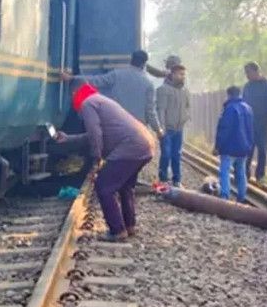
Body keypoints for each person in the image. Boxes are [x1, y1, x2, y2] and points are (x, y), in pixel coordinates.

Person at [56, 84, 155, 242]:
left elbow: (95, 133)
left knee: (104, 186)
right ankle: (130, 226)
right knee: (125, 187)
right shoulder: (100, 100)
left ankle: (117, 230)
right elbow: (95, 134)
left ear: (75, 93)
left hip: (130, 147)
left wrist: (97, 159)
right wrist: (69, 139)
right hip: (145, 144)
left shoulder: (88, 103)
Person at [60, 50, 162, 138]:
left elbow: (96, 81)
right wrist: (158, 130)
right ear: (144, 64)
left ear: (131, 61)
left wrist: (72, 78)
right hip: (137, 129)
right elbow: (150, 111)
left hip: (116, 124)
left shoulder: (116, 74)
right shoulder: (148, 84)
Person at [213, 86, 255, 203]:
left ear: (228, 95)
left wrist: (218, 146)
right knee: (241, 172)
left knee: (225, 171)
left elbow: (224, 129)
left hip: (229, 147)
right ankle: (241, 197)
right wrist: (249, 146)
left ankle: (225, 196)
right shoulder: (248, 108)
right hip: (244, 147)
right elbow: (251, 129)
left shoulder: (229, 109)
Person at [156, 63, 192, 187]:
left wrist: (186, 118)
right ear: (173, 74)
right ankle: (163, 179)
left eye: (184, 74)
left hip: (179, 129)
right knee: (166, 154)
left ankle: (177, 180)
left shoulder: (185, 91)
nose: (183, 77)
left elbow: (188, 107)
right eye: (181, 74)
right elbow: (161, 110)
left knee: (177, 155)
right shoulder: (163, 90)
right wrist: (161, 128)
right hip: (167, 129)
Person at [242, 62, 267, 182]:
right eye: (246, 73)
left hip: (263, 124)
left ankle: (260, 176)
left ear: (256, 71)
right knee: (247, 150)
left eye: (249, 73)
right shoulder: (247, 87)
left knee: (262, 151)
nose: (247, 75)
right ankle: (244, 174)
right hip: (249, 124)